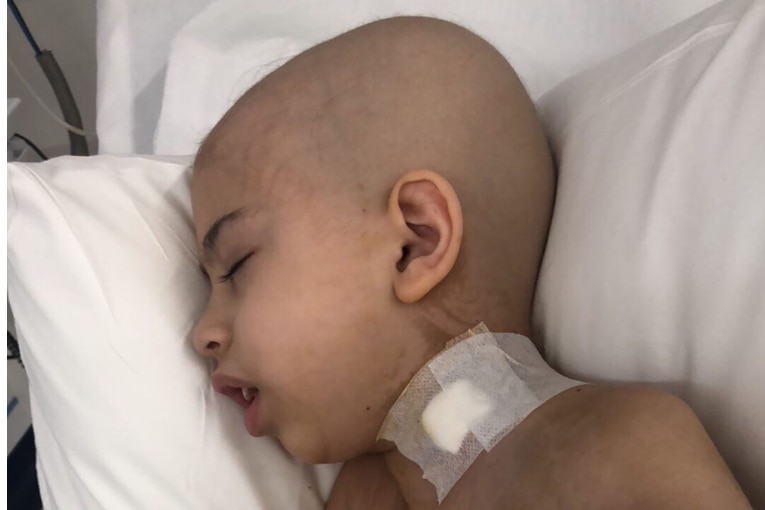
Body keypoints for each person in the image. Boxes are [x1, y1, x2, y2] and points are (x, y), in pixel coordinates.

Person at [190, 16, 751, 509]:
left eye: (237, 267)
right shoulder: (364, 492)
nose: (202, 333)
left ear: (415, 243)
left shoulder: (618, 445)